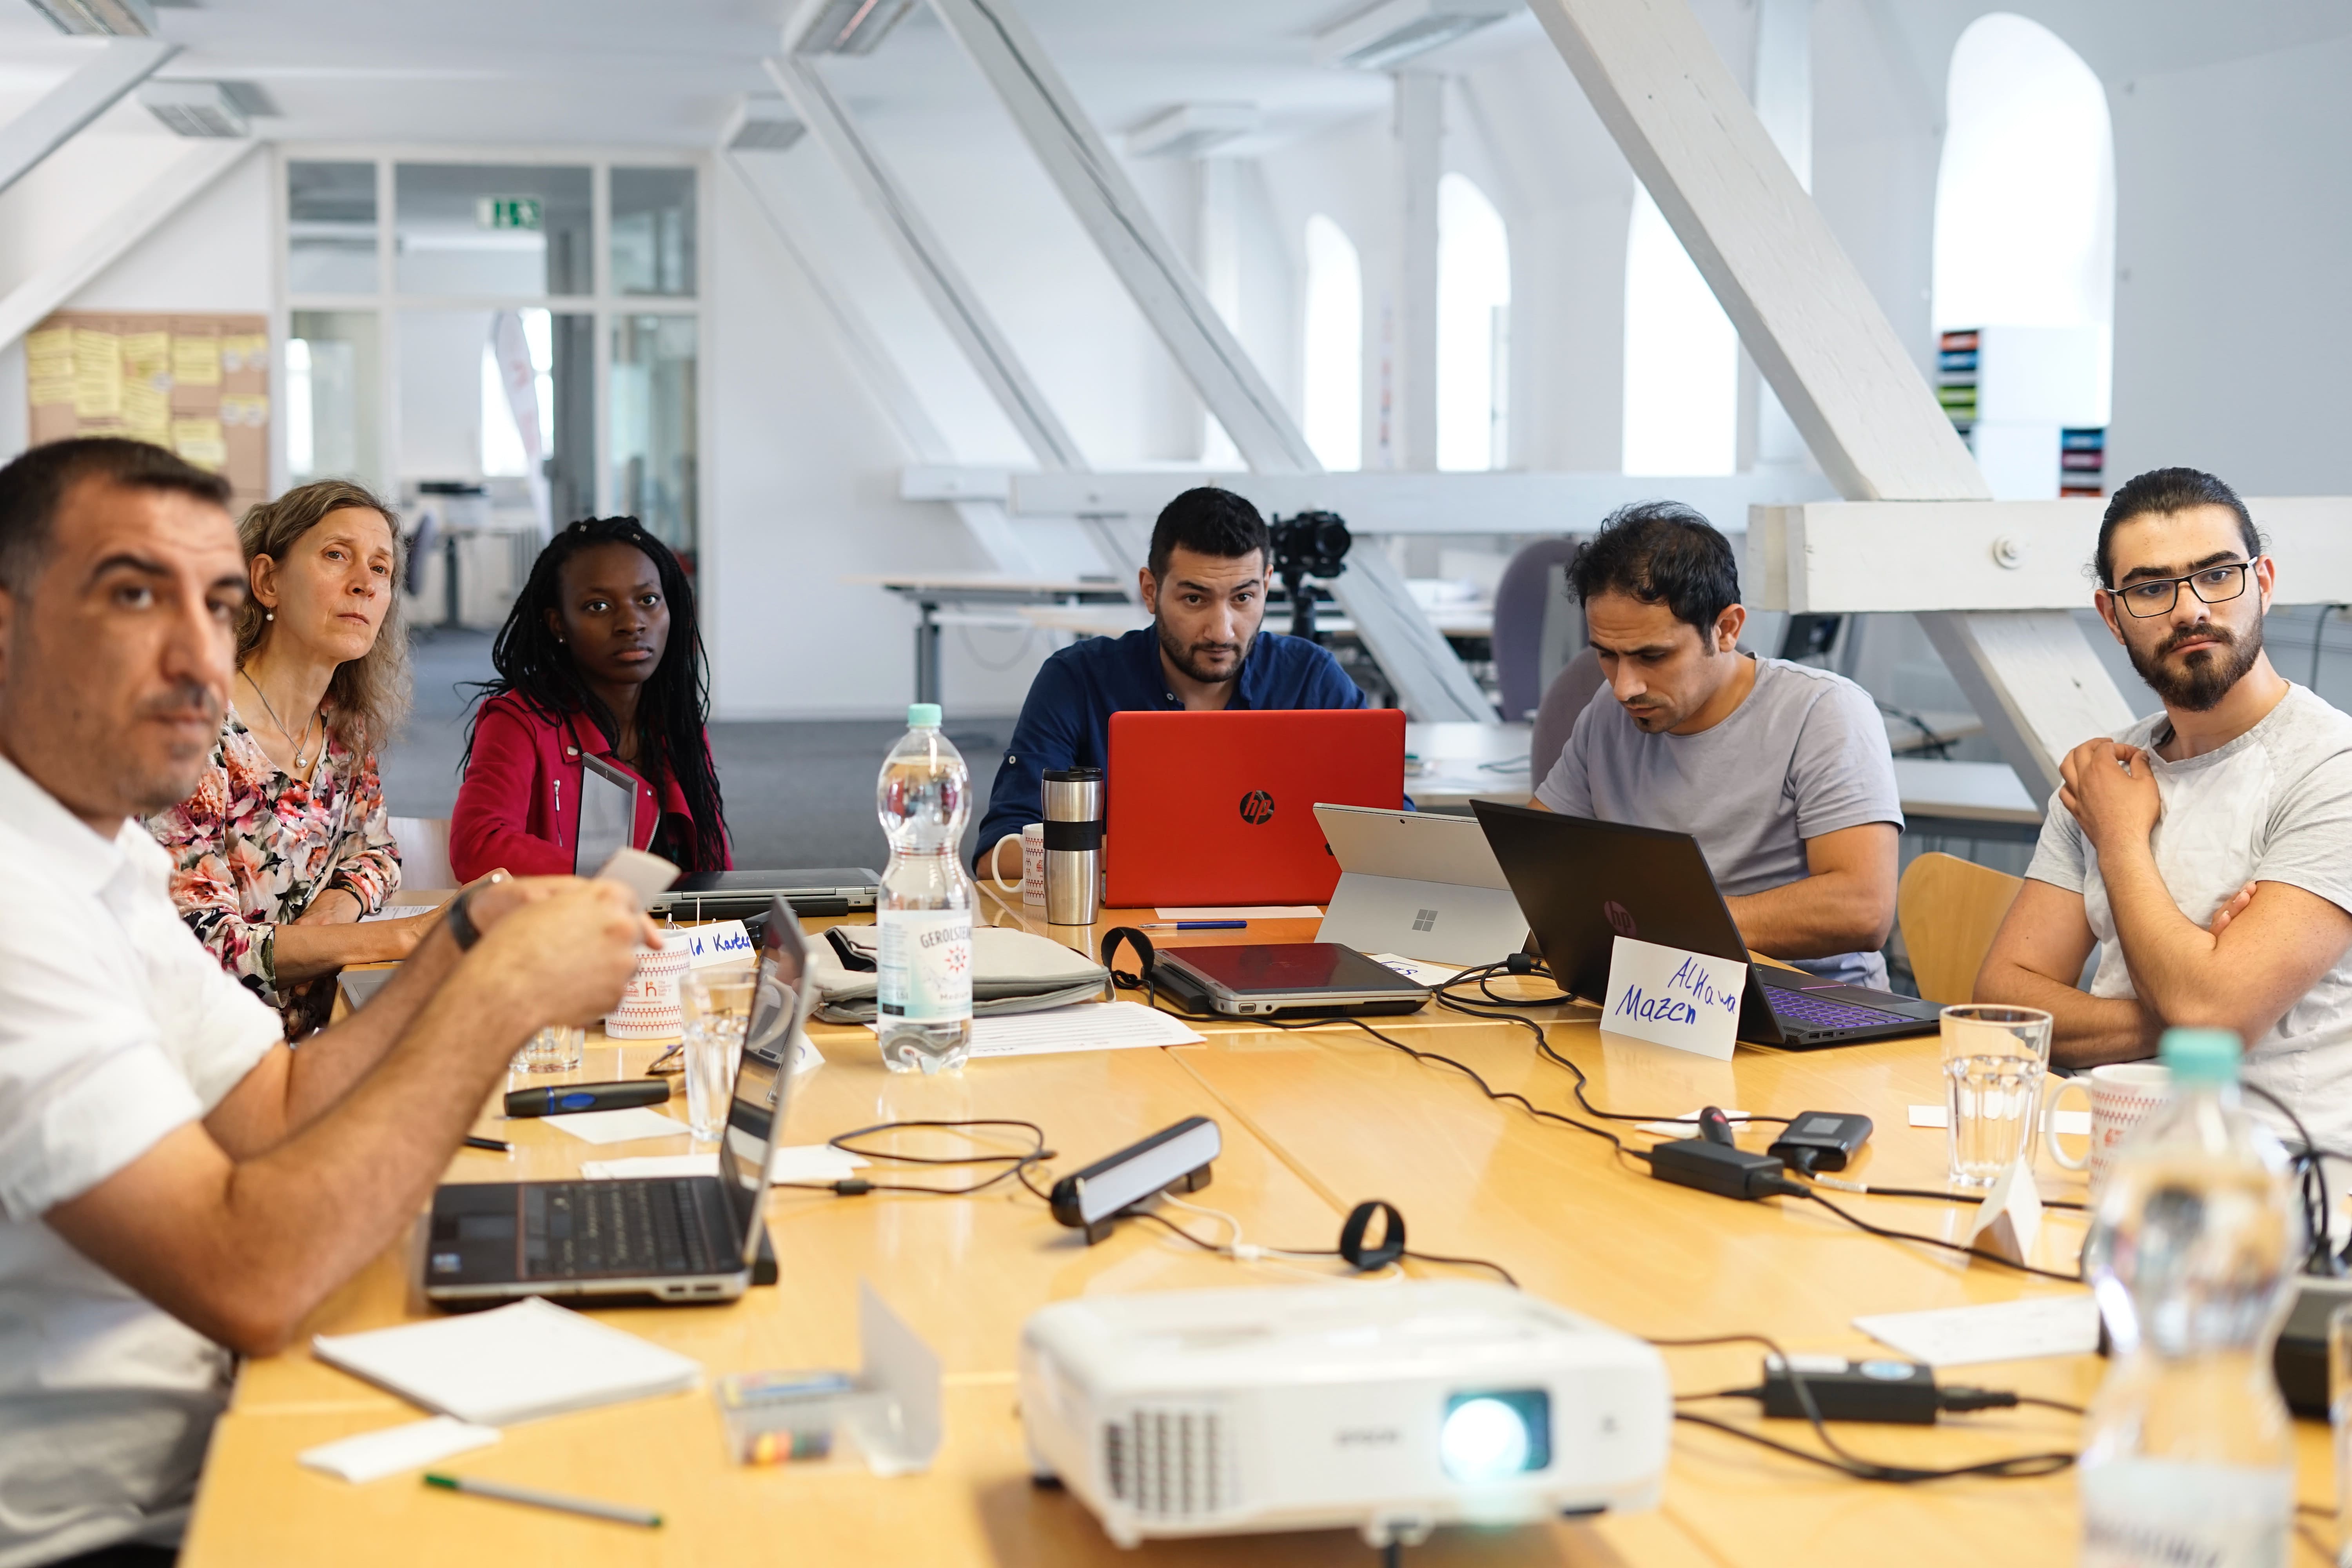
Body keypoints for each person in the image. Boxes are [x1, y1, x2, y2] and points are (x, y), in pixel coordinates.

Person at [0, 437, 646, 1567]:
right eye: (133, 596)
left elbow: (278, 1099)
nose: (197, 656)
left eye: (208, 605)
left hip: (228, 1415)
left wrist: (458, 941)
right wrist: (493, 1001)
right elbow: (248, 1275)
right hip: (118, 1525)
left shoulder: (102, 861)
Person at [1977, 467, 2352, 1146]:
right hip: (2105, 1144)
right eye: (2151, 589)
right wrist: (2198, 1000)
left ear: (2262, 583)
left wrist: (2121, 840)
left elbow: (2213, 1015)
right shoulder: (2107, 771)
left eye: (2217, 575)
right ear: (2112, 617)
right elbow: (2007, 1003)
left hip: (2288, 1178)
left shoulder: (2333, 770)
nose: (2190, 610)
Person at [1531, 501, 1902, 986]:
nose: (1625, 686)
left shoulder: (1823, 711)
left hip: (1805, 997)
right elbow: (1531, 867)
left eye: (1652, 656)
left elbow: (1862, 909)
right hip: (1655, 991)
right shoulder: (1610, 710)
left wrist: (1663, 927)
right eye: (1607, 655)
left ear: (1727, 629)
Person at [145, 479, 432, 1040]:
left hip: (319, 1037)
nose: (364, 585)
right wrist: (400, 938)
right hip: (206, 1062)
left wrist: (341, 904)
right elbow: (201, 944)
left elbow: (376, 852)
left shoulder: (344, 724)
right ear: (267, 581)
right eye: (336, 556)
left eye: (381, 569)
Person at [974, 485, 1366, 858]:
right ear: (1150, 590)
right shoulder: (1077, 680)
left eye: (1243, 598)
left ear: (1266, 585)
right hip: (1123, 928)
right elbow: (1002, 848)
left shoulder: (1311, 680)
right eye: (1195, 599)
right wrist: (1158, 854)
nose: (1222, 630)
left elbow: (1388, 831)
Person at [450, 515, 730, 881]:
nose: (632, 623)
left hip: (670, 935)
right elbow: (478, 847)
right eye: (598, 606)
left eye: (648, 600)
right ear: (559, 625)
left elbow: (714, 864)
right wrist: (623, 883)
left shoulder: (676, 721)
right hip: (562, 932)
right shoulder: (520, 721)